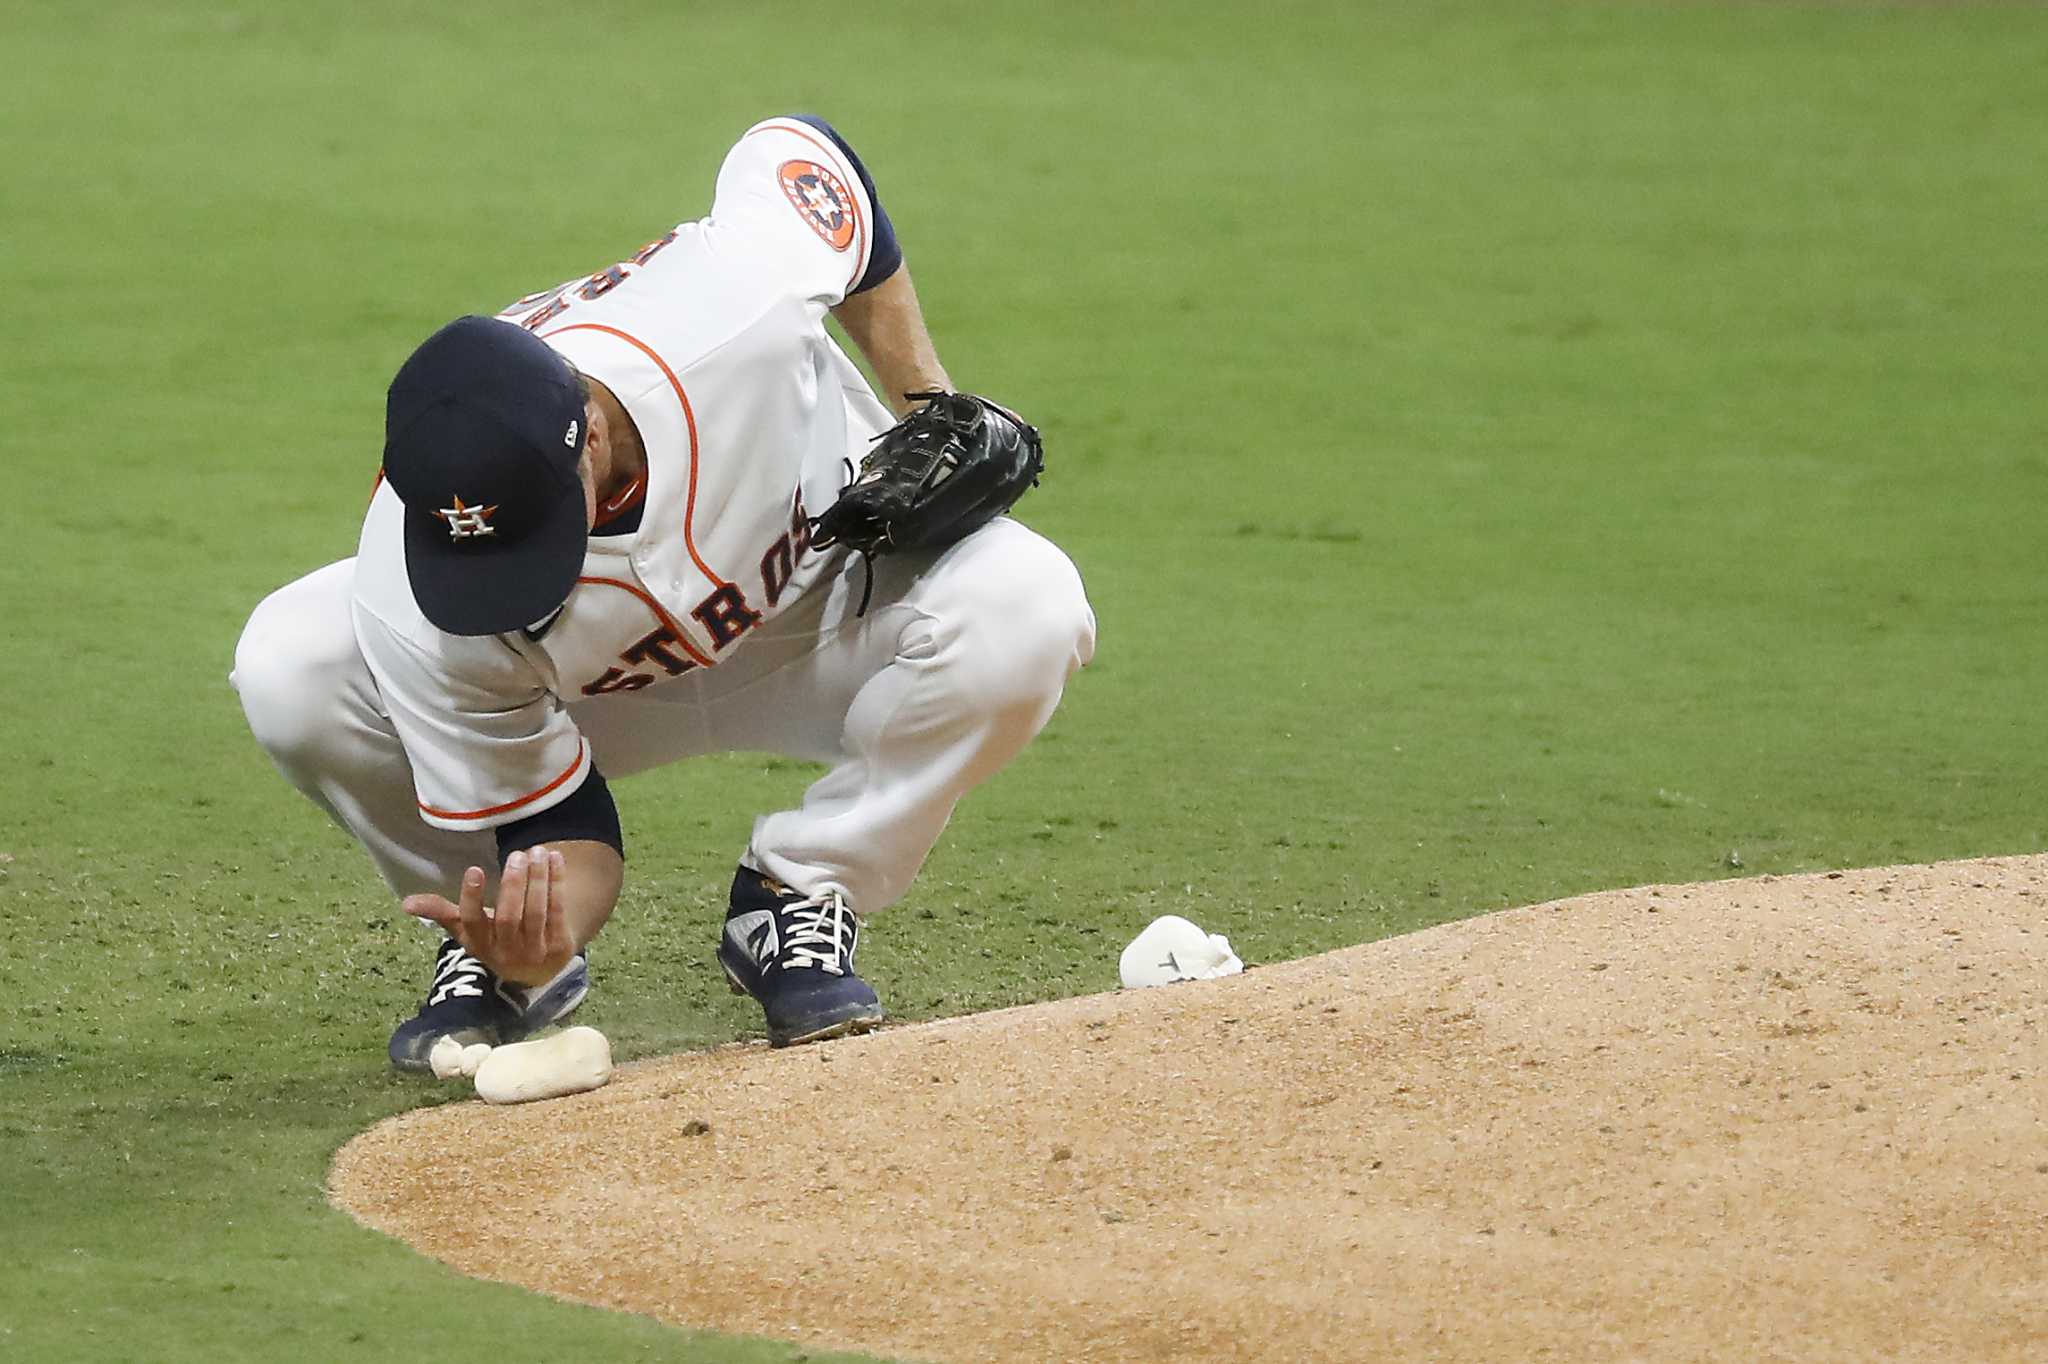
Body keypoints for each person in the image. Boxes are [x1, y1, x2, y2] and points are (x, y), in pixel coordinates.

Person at [231, 115, 1096, 1068]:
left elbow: (806, 154)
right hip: (580, 695)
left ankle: (797, 894)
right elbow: (562, 825)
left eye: (531, 534)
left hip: (821, 611)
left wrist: (926, 397)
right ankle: (499, 943)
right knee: (293, 663)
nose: (510, 570)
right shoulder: (418, 574)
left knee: (1030, 603)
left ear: (590, 438)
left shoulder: (731, 313)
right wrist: (549, 927)